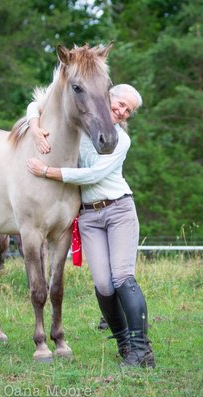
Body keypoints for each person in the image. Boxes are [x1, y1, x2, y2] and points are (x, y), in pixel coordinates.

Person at [26, 84, 155, 368]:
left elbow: (94, 174)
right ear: (106, 98)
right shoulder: (84, 126)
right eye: (119, 103)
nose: (121, 111)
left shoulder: (120, 140)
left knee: (122, 278)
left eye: (127, 110)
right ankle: (124, 346)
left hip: (119, 209)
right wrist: (35, 128)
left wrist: (47, 171)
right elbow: (36, 105)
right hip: (88, 217)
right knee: (103, 285)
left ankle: (142, 351)